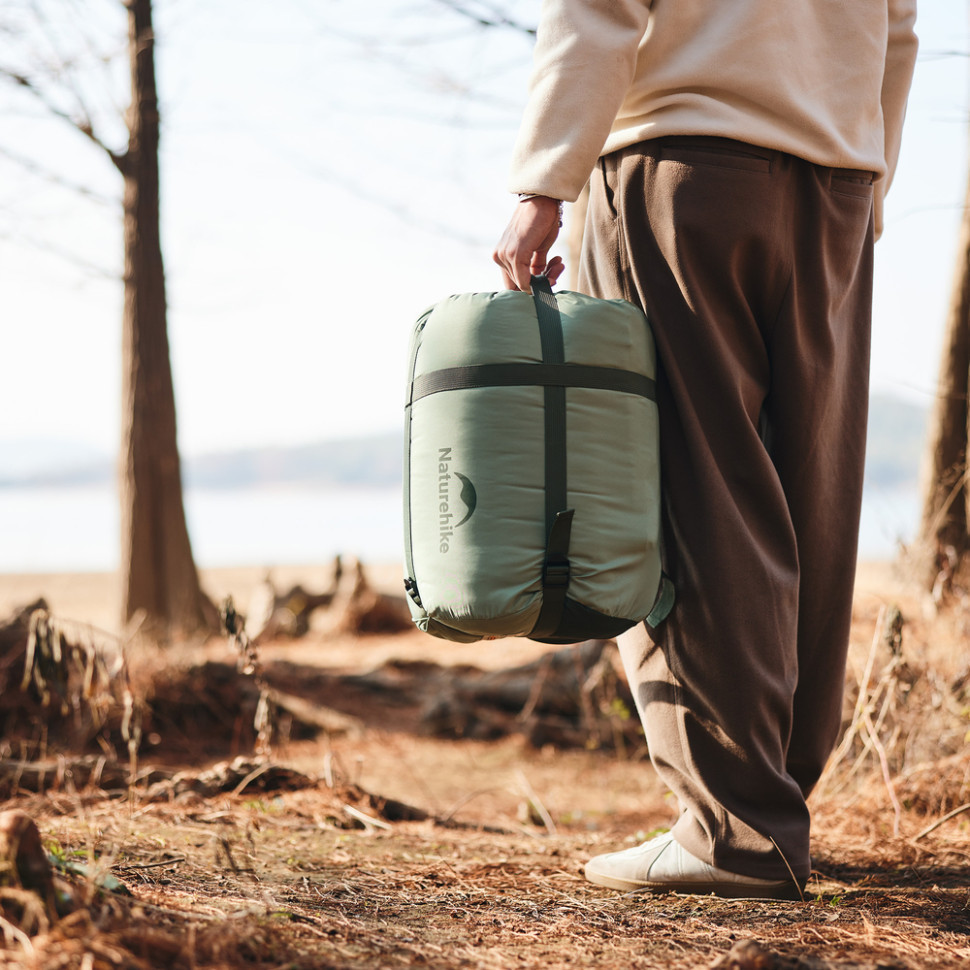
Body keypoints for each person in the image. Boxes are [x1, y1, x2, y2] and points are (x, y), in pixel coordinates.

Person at [493, 1, 918, 900]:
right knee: (814, 492)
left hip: (680, 165)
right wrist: (867, 189)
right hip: (838, 180)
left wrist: (544, 184)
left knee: (686, 487)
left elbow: (598, 8)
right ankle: (774, 795)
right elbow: (900, 25)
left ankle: (734, 830)